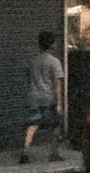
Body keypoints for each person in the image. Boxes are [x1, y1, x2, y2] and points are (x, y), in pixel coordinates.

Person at [19, 28, 62, 162]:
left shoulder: (33, 61)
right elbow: (57, 84)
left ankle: (25, 151)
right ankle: (53, 154)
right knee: (54, 126)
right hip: (48, 99)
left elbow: (29, 79)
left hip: (33, 97)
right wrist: (59, 103)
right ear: (51, 44)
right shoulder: (55, 62)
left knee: (32, 125)